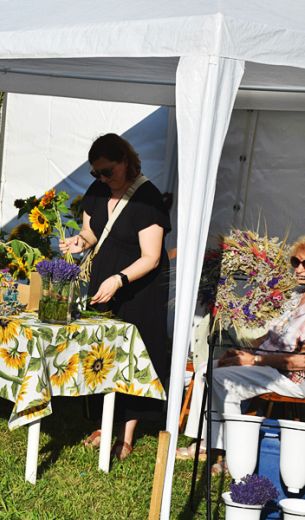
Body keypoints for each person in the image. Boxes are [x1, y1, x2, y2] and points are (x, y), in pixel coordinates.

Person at [59, 133, 171, 460]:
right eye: (96, 173)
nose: (103, 178)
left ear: (125, 160)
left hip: (138, 286)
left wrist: (119, 280)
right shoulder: (98, 190)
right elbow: (92, 233)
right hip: (104, 281)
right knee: (102, 351)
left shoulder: (147, 197)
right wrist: (79, 242)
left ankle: (126, 433)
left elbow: (151, 256)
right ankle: (102, 422)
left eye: (108, 171)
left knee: (133, 357)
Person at [179, 236, 305, 472]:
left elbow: (301, 362)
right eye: (295, 262)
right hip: (266, 365)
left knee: (220, 378)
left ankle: (231, 450)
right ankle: (210, 440)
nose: (298, 268)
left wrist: (255, 359)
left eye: (304, 263)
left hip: (291, 377)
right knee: (207, 368)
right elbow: (269, 336)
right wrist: (242, 352)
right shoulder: (296, 296)